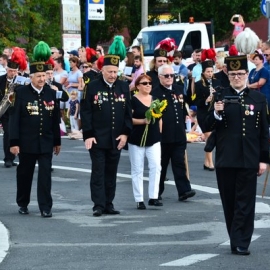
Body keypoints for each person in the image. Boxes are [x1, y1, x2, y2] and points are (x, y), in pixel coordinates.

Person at [204, 55, 269, 255]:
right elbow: (207, 125)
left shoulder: (258, 98)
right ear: (228, 75)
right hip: (226, 158)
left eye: (240, 74)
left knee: (246, 201)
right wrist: (216, 112)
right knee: (229, 201)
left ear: (247, 74)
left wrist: (264, 159)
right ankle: (235, 237)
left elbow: (263, 132)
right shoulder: (220, 96)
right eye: (233, 74)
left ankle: (242, 241)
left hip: (249, 158)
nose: (237, 77)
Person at [9, 41, 61, 218]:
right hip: (26, 143)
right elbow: (14, 120)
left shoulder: (51, 93)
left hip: (45, 141)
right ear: (31, 77)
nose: (41, 79)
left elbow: (55, 119)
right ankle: (23, 202)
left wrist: (57, 141)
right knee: (25, 174)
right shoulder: (21, 93)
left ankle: (45, 207)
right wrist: (14, 142)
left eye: (43, 76)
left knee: (45, 176)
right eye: (38, 76)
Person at [80, 54, 132, 217]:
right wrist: (88, 134)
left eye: (115, 72)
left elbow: (127, 113)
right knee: (98, 171)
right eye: (109, 71)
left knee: (111, 172)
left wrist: (125, 134)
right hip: (97, 137)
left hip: (116, 138)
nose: (112, 75)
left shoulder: (123, 86)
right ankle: (98, 205)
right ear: (102, 70)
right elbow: (86, 111)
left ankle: (109, 203)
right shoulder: (93, 86)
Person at [151, 64, 196, 201]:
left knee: (179, 163)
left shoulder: (178, 88)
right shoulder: (156, 93)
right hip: (163, 135)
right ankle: (156, 193)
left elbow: (182, 107)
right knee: (162, 166)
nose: (170, 78)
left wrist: (186, 120)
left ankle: (184, 190)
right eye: (166, 76)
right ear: (160, 77)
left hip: (179, 133)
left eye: (172, 75)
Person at [128, 74, 162, 209]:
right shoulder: (132, 100)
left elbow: (159, 118)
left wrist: (160, 132)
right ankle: (139, 198)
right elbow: (128, 118)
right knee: (137, 169)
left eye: (149, 83)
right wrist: (142, 121)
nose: (148, 85)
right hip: (137, 137)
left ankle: (153, 196)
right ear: (137, 86)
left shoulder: (156, 100)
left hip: (153, 137)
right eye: (144, 83)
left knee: (155, 167)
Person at [194, 60, 221, 171]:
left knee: (210, 137)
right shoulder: (198, 84)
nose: (210, 73)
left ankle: (207, 162)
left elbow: (221, 96)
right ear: (203, 72)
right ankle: (210, 162)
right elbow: (196, 101)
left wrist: (216, 94)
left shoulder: (217, 82)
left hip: (213, 112)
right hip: (203, 113)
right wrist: (206, 100)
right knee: (209, 137)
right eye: (208, 71)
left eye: (211, 71)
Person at [0, 60, 19, 168]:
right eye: (10, 71)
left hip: (16, 110)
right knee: (8, 134)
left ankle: (12, 157)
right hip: (5, 111)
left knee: (16, 134)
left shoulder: (20, 80)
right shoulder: (1, 80)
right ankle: (8, 158)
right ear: (7, 70)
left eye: (14, 71)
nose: (12, 73)